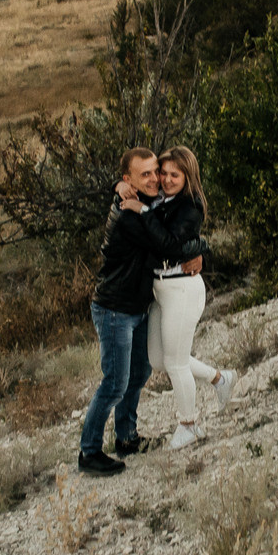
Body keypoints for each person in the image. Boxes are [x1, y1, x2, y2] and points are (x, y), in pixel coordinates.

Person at [78, 147, 204, 475]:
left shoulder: (146, 203)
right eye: (144, 174)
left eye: (155, 172)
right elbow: (165, 246)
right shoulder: (129, 215)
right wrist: (195, 250)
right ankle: (89, 452)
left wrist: (198, 251)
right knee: (115, 382)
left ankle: (126, 438)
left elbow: (173, 230)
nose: (154, 179)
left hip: (138, 307)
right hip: (115, 309)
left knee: (139, 373)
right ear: (128, 179)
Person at [148, 146, 233, 448]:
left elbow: (170, 244)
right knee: (159, 359)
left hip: (182, 289)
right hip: (160, 289)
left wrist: (200, 248)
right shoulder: (159, 199)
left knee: (175, 363)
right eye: (164, 173)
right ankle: (220, 379)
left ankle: (190, 424)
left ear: (188, 176)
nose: (167, 179)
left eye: (175, 174)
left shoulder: (189, 206)